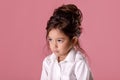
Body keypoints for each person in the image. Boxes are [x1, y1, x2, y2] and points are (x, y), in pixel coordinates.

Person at [41, 4, 93, 80]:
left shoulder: (78, 63)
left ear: (73, 41)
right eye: (50, 40)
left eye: (59, 41)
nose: (54, 45)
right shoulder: (48, 62)